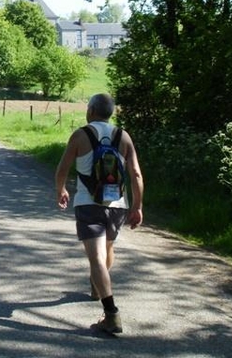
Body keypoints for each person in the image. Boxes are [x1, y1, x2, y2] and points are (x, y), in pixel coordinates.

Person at [55, 93, 144, 334]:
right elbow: (135, 173)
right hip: (117, 205)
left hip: (88, 203)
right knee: (107, 250)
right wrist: (137, 206)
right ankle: (98, 286)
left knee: (96, 258)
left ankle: (111, 314)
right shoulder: (123, 136)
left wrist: (61, 189)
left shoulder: (80, 135)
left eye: (87, 107)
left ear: (92, 110)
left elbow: (62, 168)